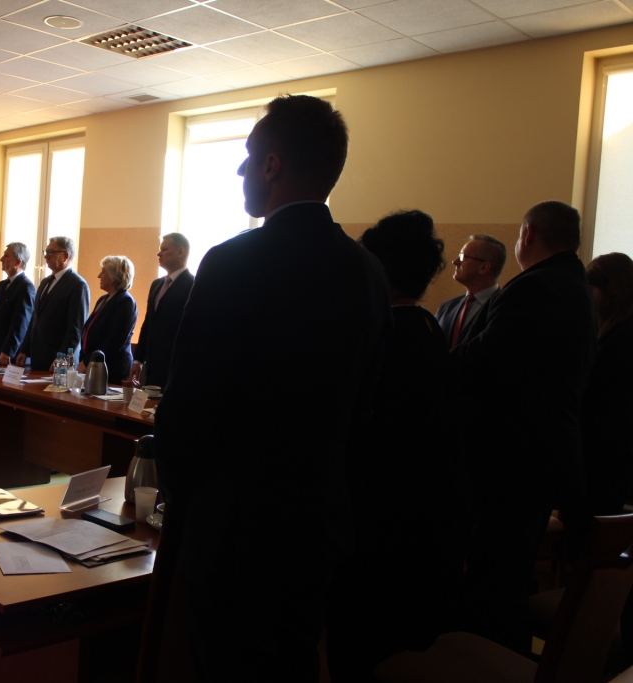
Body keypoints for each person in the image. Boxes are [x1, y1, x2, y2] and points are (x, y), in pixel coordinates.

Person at [150, 95, 390, 682]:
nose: (240, 170)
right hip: (318, 523)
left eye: (248, 156)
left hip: (236, 529)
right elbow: (364, 407)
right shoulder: (366, 269)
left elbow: (190, 407)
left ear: (272, 165)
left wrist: (180, 497)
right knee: (293, 662)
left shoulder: (235, 261)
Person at [326, 211, 467, 682]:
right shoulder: (428, 328)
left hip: (380, 528)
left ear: (379, 268)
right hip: (425, 525)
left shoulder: (385, 335)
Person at [452, 200, 597, 654]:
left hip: (513, 457)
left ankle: (489, 660)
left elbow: (485, 362)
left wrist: (432, 366)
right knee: (509, 567)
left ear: (528, 234)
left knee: (497, 575)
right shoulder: (573, 283)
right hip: (539, 451)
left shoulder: (537, 287)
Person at [578, 253, 633, 517]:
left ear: (612, 289)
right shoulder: (613, 330)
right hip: (608, 449)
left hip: (606, 451)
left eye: (591, 289)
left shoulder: (622, 338)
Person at [15, 236, 90, 371]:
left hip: (58, 360)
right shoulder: (45, 282)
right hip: (37, 358)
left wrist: (61, 359)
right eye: (46, 252)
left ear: (65, 256)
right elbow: (35, 319)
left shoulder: (78, 285)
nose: (46, 256)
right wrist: (24, 349)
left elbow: (75, 329)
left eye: (51, 252)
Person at [131, 233, 194, 388]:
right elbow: (149, 323)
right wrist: (138, 359)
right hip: (152, 366)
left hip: (174, 365)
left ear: (180, 252)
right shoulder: (157, 284)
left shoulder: (193, 285)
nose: (159, 254)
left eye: (164, 249)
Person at [435, 235, 506, 347]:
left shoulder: (505, 308)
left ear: (484, 267)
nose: (455, 262)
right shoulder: (447, 307)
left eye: (463, 257)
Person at [78, 255, 138, 384]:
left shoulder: (125, 301)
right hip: (95, 365)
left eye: (103, 271)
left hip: (112, 369)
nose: (99, 276)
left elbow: (115, 340)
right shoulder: (104, 299)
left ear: (113, 277)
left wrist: (88, 361)